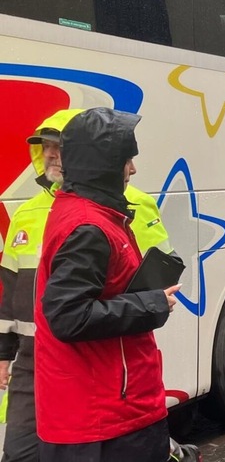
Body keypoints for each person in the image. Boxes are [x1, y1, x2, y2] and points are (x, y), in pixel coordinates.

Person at [0, 109, 186, 461]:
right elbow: (65, 313)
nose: (133, 169)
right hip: (99, 405)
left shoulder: (93, 211)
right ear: (103, 162)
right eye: (127, 159)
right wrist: (152, 303)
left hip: (95, 390)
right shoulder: (87, 224)